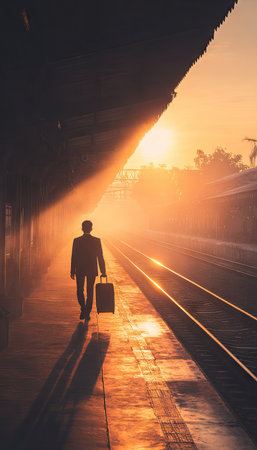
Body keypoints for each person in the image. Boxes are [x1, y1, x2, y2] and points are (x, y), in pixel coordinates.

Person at [71, 220, 106, 320]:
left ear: (82, 228)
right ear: (91, 229)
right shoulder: (96, 241)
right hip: (92, 270)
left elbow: (74, 257)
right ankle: (87, 312)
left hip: (80, 269)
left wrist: (72, 270)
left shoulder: (76, 241)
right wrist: (103, 271)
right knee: (90, 291)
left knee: (79, 290)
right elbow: (100, 257)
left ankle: (83, 309)